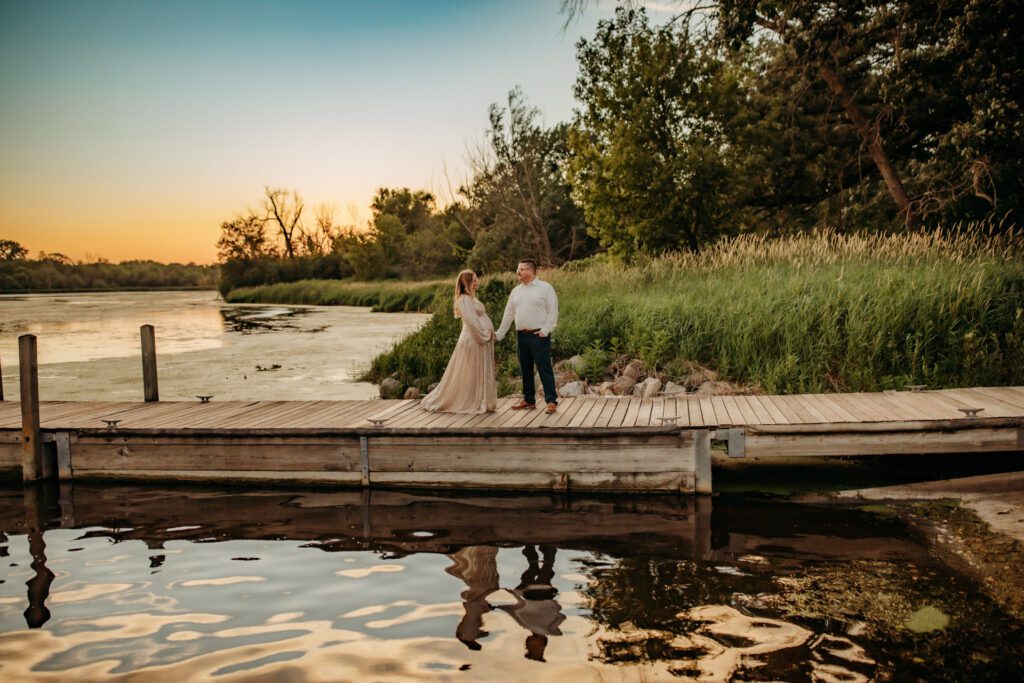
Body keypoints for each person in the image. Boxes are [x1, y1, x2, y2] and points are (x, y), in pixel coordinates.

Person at [421, 270, 498, 414]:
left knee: (475, 372)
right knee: (470, 372)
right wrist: (485, 335)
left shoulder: (471, 298)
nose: (477, 282)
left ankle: (480, 399)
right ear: (468, 282)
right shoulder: (464, 300)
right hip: (473, 339)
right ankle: (470, 401)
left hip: (478, 339)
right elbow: (472, 322)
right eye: (474, 280)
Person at [494, 259, 559, 414]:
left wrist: (545, 330)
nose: (518, 272)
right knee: (525, 369)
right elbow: (508, 314)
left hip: (539, 335)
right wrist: (499, 334)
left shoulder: (545, 288)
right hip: (521, 336)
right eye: (518, 269)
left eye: (521, 269)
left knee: (544, 368)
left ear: (530, 271)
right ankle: (529, 400)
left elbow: (553, 311)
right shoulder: (516, 291)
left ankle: (551, 401)